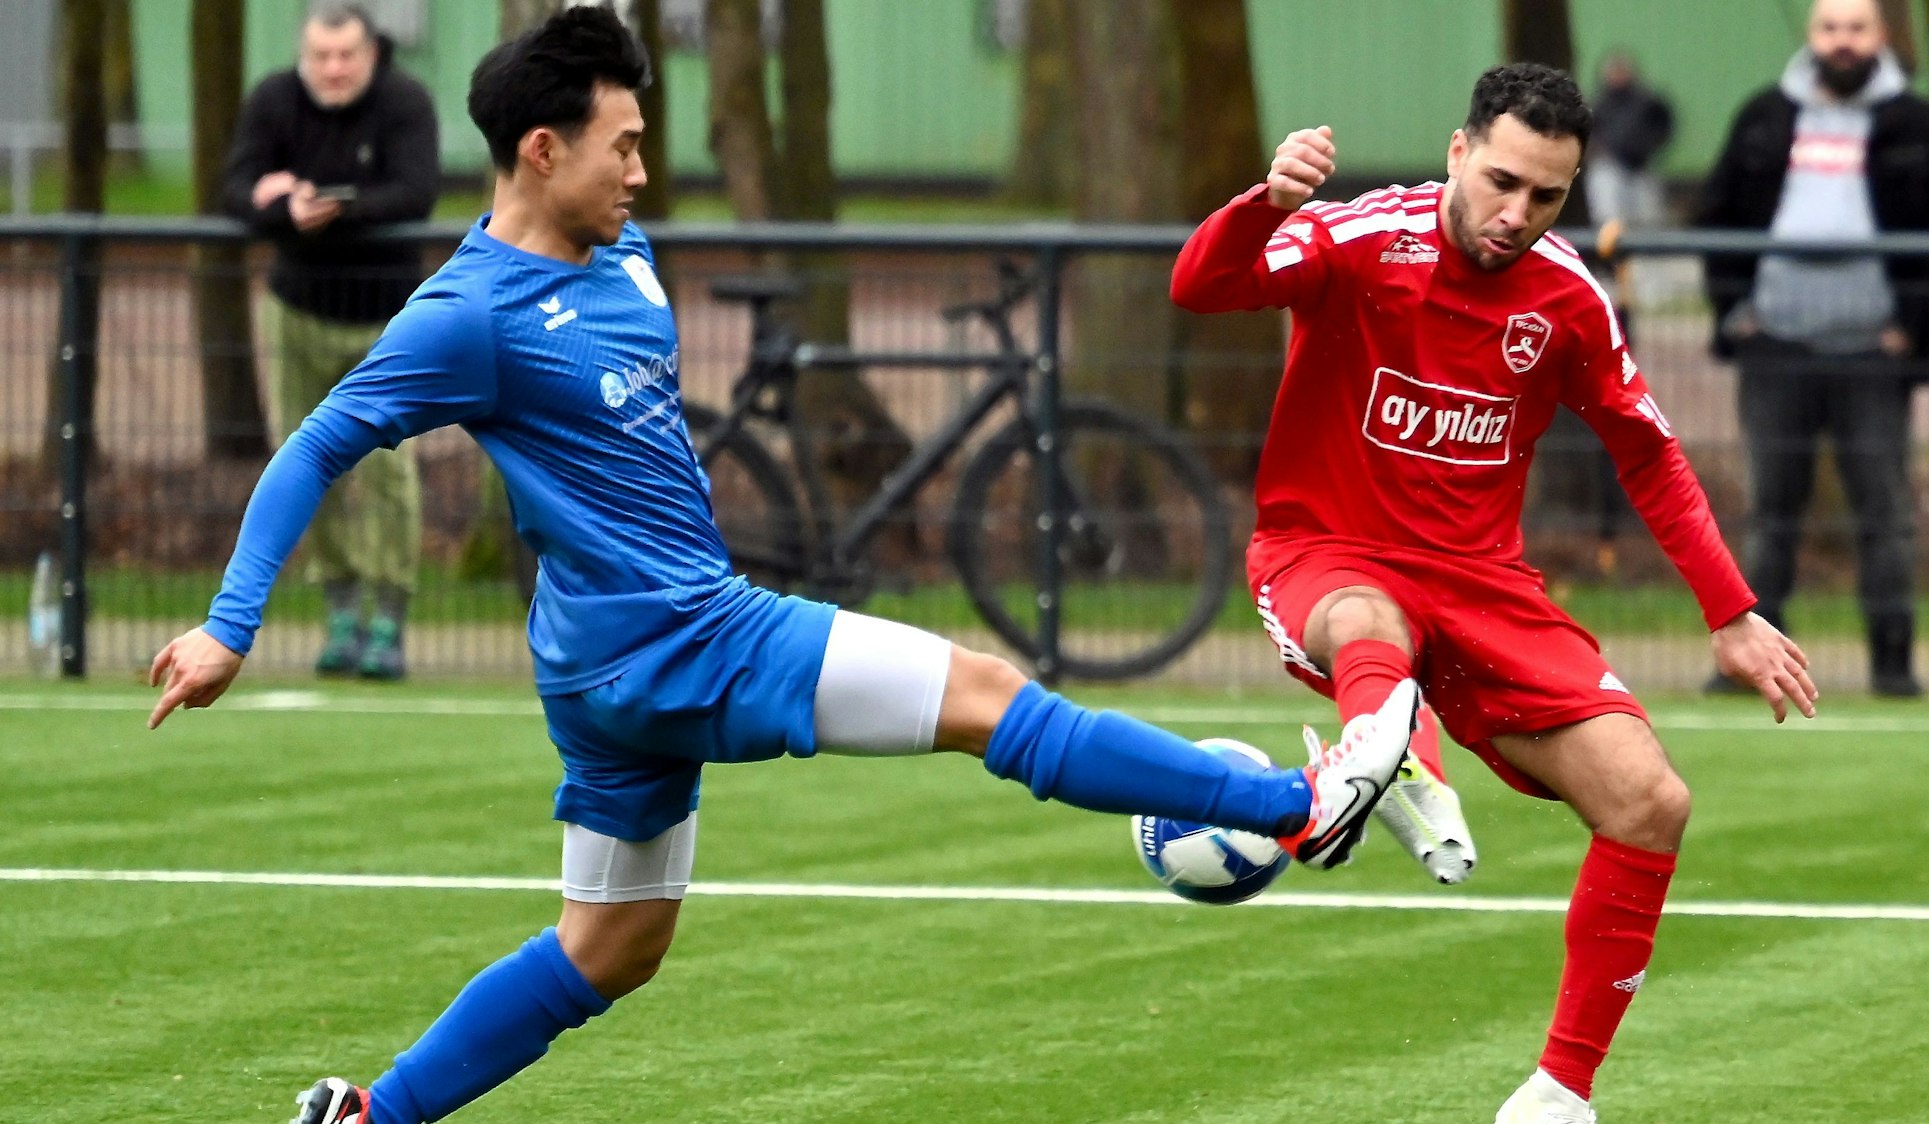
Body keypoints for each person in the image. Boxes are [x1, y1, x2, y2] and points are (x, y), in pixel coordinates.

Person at [148, 9, 1419, 1123]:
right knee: (989, 694)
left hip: (600, 666)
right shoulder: (467, 312)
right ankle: (1295, 809)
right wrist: (229, 625)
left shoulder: (623, 255)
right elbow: (316, 443)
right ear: (543, 150)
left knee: (611, 947)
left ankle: (377, 1111)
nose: (644, 169)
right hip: (682, 639)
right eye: (623, 145)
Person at [1173, 63, 1817, 1123]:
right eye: (1503, 181)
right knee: (1370, 622)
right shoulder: (1357, 237)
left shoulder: (1566, 296)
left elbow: (1648, 454)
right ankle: (1386, 736)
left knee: (1650, 801)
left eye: (1548, 196)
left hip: (1483, 586)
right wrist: (1265, 201)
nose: (1517, 215)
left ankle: (1558, 1092)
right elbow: (1202, 285)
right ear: (1458, 151)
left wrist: (1731, 610)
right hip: (1326, 546)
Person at [1694, 0, 1929, 699]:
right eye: (1829, 29)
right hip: (1775, 347)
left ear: (1880, 37)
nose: (1841, 42)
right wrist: (1736, 312)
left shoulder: (1919, 124)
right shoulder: (1764, 116)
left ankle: (1893, 669)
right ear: (1813, 36)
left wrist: (1912, 321)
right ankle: (1753, 667)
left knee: (1885, 515)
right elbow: (1713, 215)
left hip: (1871, 355)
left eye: (1855, 29)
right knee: (1770, 515)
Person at [222, 1, 442, 681]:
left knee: (388, 473)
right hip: (298, 313)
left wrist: (335, 208)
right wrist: (278, 208)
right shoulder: (272, 100)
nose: (334, 69)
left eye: (346, 55)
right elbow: (232, 188)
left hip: (385, 324)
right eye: (321, 56)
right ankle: (340, 612)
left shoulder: (406, 102)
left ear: (370, 54)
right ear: (303, 54)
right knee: (305, 463)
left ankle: (390, 620)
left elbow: (415, 193)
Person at [1586, 51, 1674, 230]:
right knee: (1608, 215)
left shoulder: (1647, 100)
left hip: (1641, 165)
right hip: (1610, 164)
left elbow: (1665, 124)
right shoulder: (1599, 102)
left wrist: (1652, 145)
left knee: (1648, 218)